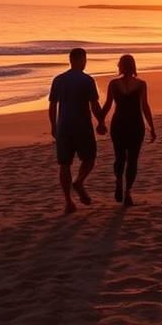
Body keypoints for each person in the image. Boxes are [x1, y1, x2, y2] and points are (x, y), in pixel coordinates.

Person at [48, 47, 104, 214]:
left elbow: (52, 106)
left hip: (64, 127)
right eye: (84, 60)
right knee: (89, 159)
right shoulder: (87, 80)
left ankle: (68, 202)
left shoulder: (58, 80)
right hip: (82, 127)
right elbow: (94, 105)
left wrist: (53, 126)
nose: (85, 62)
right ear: (80, 60)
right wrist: (101, 121)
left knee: (64, 165)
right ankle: (79, 181)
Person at [95, 54, 155, 207]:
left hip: (119, 125)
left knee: (119, 157)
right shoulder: (141, 84)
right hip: (136, 125)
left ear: (121, 66)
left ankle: (118, 181)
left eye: (119, 64)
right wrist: (152, 128)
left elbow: (108, 105)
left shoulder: (114, 84)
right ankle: (127, 192)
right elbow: (145, 107)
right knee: (133, 160)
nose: (117, 66)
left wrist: (101, 121)